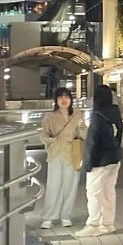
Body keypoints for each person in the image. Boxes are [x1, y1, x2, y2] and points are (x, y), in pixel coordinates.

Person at [77, 84, 123, 238]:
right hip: (115, 157)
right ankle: (108, 223)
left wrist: (87, 163)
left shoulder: (97, 116)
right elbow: (119, 134)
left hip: (100, 160)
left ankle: (93, 225)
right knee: (109, 191)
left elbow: (91, 142)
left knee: (94, 193)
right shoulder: (115, 113)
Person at [39, 87, 87, 229]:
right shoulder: (50, 117)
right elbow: (43, 134)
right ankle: (49, 217)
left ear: (71, 99)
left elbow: (84, 135)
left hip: (72, 154)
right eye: (60, 97)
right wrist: (50, 140)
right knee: (53, 186)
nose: (64, 100)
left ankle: (66, 216)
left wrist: (82, 127)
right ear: (56, 100)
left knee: (70, 186)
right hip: (56, 153)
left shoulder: (77, 115)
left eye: (66, 97)